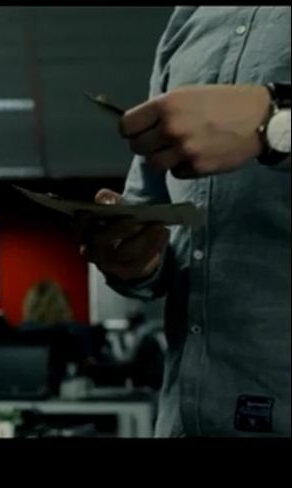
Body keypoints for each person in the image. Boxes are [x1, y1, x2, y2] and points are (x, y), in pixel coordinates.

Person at [77, 7, 290, 436]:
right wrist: (137, 257)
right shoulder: (188, 19)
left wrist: (275, 121)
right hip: (182, 422)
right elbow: (155, 215)